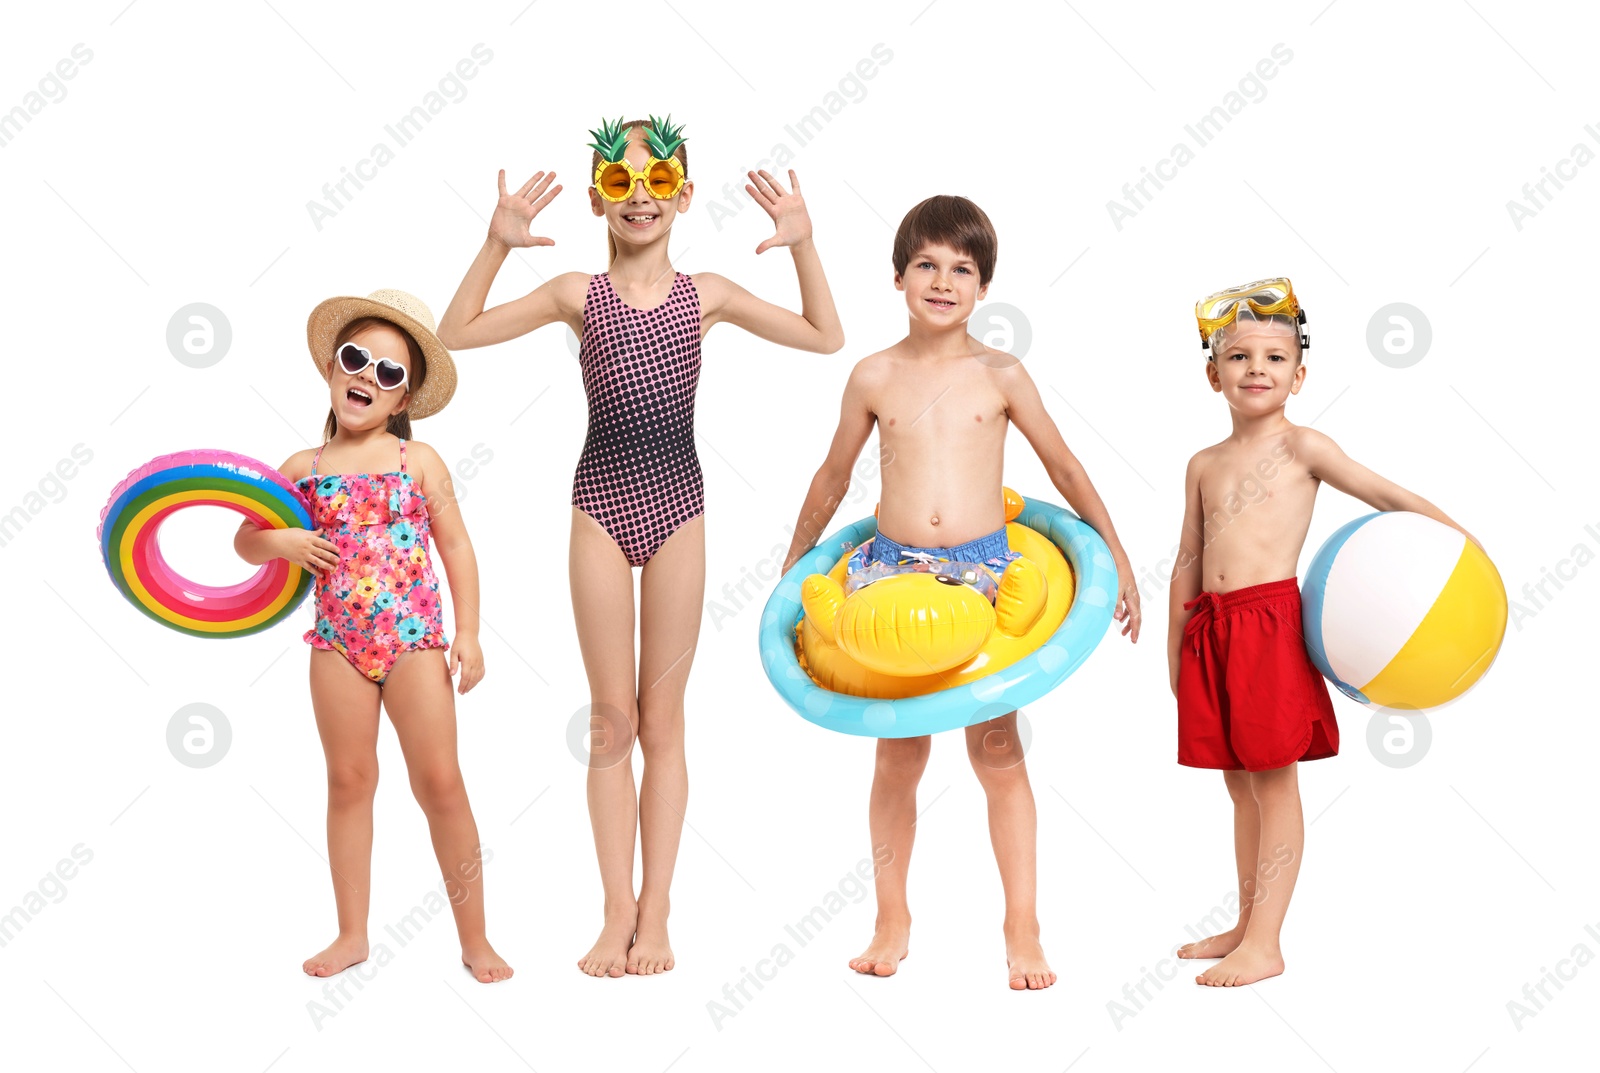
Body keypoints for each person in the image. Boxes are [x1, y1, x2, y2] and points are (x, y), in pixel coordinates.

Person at [435, 115, 845, 978]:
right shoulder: (575, 294)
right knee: (610, 720)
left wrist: (804, 243)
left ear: (684, 195)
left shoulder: (713, 294)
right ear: (596, 200)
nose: (642, 196)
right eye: (620, 184)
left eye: (658, 181)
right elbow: (456, 333)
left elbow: (824, 336)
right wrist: (496, 242)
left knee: (665, 721)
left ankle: (656, 911)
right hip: (597, 504)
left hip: (680, 511)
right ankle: (612, 908)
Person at [780, 194, 1141, 990]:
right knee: (898, 751)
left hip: (983, 574)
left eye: (962, 270)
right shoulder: (873, 373)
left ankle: (1022, 924)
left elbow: (1066, 468)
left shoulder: (1001, 372)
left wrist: (1116, 554)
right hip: (890, 573)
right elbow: (834, 476)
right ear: (900, 275)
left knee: (999, 750)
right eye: (927, 265)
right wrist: (793, 567)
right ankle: (890, 915)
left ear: (984, 287)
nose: (943, 281)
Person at [1169, 278, 1477, 986]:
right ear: (1212, 374)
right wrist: (1175, 654)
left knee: (1273, 785)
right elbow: (1188, 560)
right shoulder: (1203, 463)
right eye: (1239, 356)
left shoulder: (1305, 445)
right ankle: (1246, 920)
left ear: (1299, 375)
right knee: (1237, 785)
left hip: (1270, 626)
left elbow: (1387, 495)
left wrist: (1463, 543)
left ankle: (1267, 942)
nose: (1256, 369)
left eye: (1274, 358)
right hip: (1211, 633)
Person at [234, 288, 511, 983]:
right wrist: (286, 540)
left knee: (441, 782)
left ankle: (475, 937)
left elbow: (458, 547)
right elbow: (246, 542)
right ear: (332, 368)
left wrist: (469, 631)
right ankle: (352, 932)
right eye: (357, 360)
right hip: (338, 644)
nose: (368, 377)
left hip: (415, 637)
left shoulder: (419, 461)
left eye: (390, 373)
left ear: (403, 400)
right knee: (349, 780)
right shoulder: (302, 468)